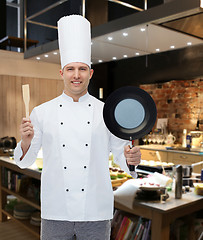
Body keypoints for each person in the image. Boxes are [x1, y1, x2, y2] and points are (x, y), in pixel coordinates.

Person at [14, 15, 141, 240]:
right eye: (70, 69)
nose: (76, 75)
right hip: (55, 209)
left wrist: (132, 158)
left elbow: (122, 154)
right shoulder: (41, 112)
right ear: (62, 73)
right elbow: (26, 160)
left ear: (90, 73)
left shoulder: (107, 112)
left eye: (82, 69)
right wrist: (25, 142)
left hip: (95, 209)